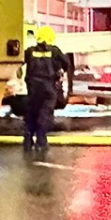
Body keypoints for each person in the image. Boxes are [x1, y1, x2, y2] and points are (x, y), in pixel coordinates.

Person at [21, 26, 72, 155]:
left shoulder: (30, 51)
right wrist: (60, 72)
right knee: (45, 114)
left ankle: (27, 140)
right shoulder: (54, 52)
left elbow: (18, 61)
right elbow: (67, 64)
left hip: (32, 88)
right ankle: (41, 141)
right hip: (48, 88)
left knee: (31, 113)